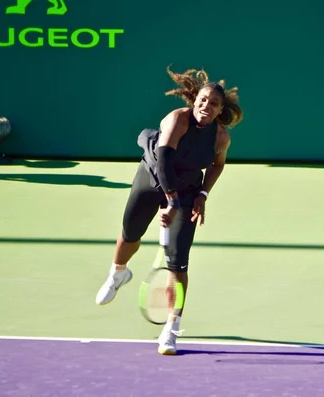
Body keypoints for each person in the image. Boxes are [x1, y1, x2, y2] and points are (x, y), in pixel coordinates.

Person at [95, 66, 243, 355]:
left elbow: (217, 165)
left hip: (187, 187)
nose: (206, 106)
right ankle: (118, 273)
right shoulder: (177, 120)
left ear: (220, 109)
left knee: (178, 263)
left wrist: (201, 194)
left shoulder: (220, 138)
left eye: (213, 104)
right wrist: (170, 201)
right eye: (202, 100)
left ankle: (171, 328)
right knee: (130, 233)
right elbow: (163, 162)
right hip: (152, 176)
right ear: (194, 100)